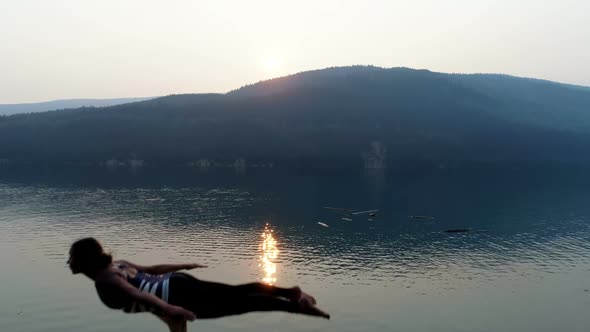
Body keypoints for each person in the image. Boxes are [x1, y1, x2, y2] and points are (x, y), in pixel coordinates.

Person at [68, 238, 330, 332]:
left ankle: (297, 307)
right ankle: (291, 293)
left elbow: (139, 295)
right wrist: (182, 267)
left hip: (178, 296)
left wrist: (172, 309)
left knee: (242, 304)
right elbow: (150, 272)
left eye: (72, 257)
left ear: (84, 261)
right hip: (177, 284)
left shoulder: (105, 281)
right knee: (238, 292)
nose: (69, 262)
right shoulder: (119, 265)